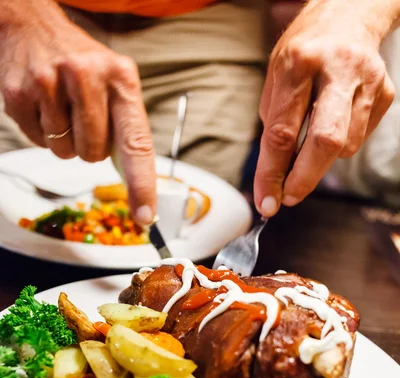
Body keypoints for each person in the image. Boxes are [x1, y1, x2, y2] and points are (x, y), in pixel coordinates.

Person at [0, 0, 397, 225]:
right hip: (27, 14)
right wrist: (15, 18)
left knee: (189, 236)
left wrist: (351, 12)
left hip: (212, 21)